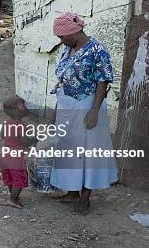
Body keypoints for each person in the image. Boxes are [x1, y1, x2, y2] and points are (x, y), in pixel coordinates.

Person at [49, 12, 118, 215]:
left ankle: (85, 197)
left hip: (87, 105)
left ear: (74, 32)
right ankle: (72, 192)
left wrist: (94, 110)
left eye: (62, 37)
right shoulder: (69, 49)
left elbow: (103, 81)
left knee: (89, 151)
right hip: (67, 105)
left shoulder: (97, 50)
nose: (61, 41)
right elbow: (63, 79)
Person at [0, 96, 30, 208]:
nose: (25, 108)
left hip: (5, 154)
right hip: (15, 157)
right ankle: (13, 199)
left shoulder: (5, 123)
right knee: (19, 177)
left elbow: (3, 136)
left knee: (10, 176)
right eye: (23, 106)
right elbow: (25, 141)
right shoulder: (22, 126)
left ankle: (13, 195)